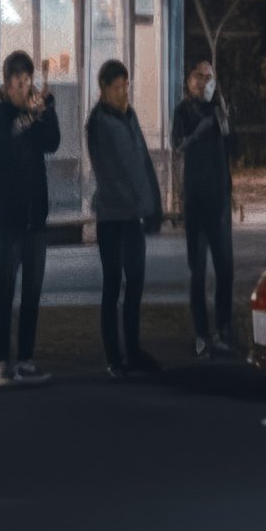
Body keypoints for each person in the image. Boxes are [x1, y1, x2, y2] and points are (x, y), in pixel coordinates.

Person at [86, 60, 163, 378]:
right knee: (113, 285)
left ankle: (132, 351)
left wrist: (153, 203)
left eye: (126, 87)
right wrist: (136, 200)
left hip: (132, 215)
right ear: (104, 89)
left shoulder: (128, 116)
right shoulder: (99, 122)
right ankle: (113, 357)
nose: (123, 93)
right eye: (117, 88)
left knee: (135, 285)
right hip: (113, 217)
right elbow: (111, 172)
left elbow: (142, 159)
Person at [0, 50, 59, 387]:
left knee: (32, 293)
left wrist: (49, 108)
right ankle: (1, 364)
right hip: (10, 219)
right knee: (6, 293)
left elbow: (52, 142)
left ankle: (26, 360)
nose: (24, 88)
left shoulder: (30, 114)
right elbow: (6, 142)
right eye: (19, 83)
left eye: (28, 82)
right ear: (6, 84)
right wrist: (32, 115)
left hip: (35, 218)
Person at [172, 51, 237, 358]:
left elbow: (233, 149)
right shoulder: (183, 111)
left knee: (226, 269)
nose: (206, 82)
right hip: (196, 202)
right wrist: (199, 133)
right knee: (198, 272)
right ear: (190, 81)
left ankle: (223, 328)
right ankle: (201, 333)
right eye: (201, 76)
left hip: (220, 201)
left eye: (210, 77)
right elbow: (178, 144)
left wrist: (225, 123)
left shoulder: (219, 109)